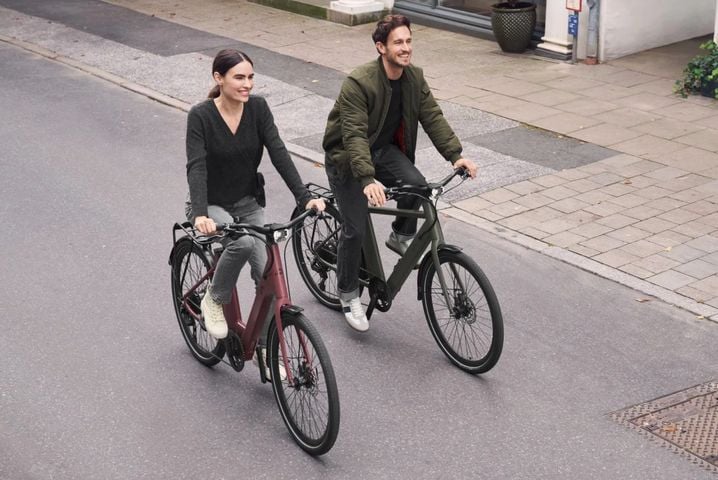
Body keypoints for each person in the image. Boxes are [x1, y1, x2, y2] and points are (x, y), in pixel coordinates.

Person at [322, 14, 478, 333]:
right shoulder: (359, 82)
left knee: (418, 186)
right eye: (398, 43)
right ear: (381, 47)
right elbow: (352, 136)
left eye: (408, 41)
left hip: (383, 152)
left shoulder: (414, 78)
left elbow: (432, 116)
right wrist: (366, 180)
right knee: (354, 230)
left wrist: (456, 155)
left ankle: (401, 234)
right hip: (348, 160)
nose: (406, 48)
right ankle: (348, 293)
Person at [185, 49, 324, 342]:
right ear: (218, 78)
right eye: (239, 77)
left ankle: (264, 348)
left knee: (268, 276)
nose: (247, 84)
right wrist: (199, 214)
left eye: (250, 77)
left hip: (248, 203)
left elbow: (279, 153)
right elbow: (196, 167)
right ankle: (214, 298)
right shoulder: (201, 116)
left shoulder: (258, 109)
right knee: (243, 243)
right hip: (211, 205)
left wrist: (304, 197)